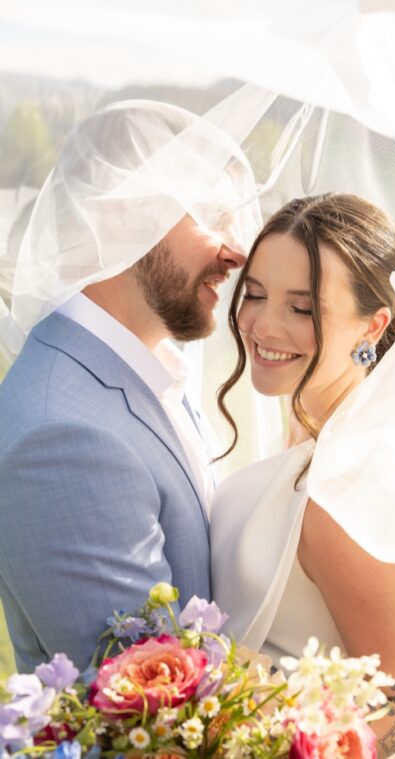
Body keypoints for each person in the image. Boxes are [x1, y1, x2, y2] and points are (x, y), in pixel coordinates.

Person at [0, 100, 256, 672]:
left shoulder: (148, 368)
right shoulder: (63, 434)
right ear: (120, 216)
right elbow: (149, 701)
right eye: (211, 217)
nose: (238, 252)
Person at [212, 193, 395, 757]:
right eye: (253, 295)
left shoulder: (356, 480)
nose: (262, 325)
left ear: (372, 326)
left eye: (301, 309)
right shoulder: (313, 437)